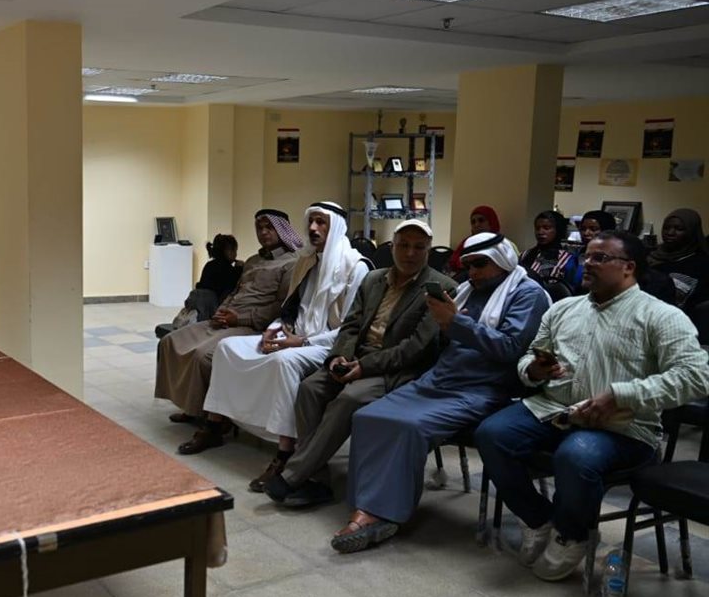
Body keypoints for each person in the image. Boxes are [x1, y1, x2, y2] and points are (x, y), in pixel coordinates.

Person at [475, 230, 709, 581]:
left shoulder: (661, 316)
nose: (587, 263)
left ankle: (572, 535)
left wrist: (620, 394)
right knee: (491, 434)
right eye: (586, 256)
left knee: (576, 454)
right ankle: (539, 519)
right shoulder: (564, 309)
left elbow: (695, 376)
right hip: (554, 408)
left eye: (600, 258)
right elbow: (528, 358)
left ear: (628, 267)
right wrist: (534, 370)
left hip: (623, 426)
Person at [328, 233, 550, 553]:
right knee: (366, 416)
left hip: (483, 388)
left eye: (479, 265)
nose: (472, 273)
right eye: (468, 266)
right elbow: (445, 343)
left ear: (502, 261)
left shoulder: (527, 295)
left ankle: (381, 514)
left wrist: (456, 322)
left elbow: (511, 348)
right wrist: (440, 324)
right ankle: (367, 502)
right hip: (440, 380)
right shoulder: (468, 290)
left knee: (408, 426)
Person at [264, 219, 455, 509]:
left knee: (349, 398)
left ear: (428, 250)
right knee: (309, 389)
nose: (410, 253)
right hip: (356, 358)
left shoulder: (441, 288)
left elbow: (415, 348)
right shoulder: (374, 279)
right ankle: (317, 480)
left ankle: (293, 475)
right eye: (404, 245)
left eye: (419, 247)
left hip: (395, 369)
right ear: (392, 247)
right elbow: (350, 326)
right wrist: (338, 357)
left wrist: (364, 367)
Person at [201, 202, 370, 489]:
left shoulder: (356, 267)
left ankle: (285, 452)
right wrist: (274, 329)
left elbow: (350, 330)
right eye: (311, 222)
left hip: (327, 344)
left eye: (321, 222)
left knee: (284, 361)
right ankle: (215, 425)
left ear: (336, 226)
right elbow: (291, 309)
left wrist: (301, 342)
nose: (313, 228)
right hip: (295, 335)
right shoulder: (306, 262)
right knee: (228, 348)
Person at [156, 209, 301, 451]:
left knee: (203, 355)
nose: (263, 232)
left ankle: (214, 422)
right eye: (259, 228)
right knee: (170, 342)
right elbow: (235, 292)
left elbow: (281, 306)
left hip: (253, 325)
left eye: (269, 227)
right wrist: (222, 311)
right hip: (226, 318)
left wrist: (239, 318)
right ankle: (191, 408)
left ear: (282, 229)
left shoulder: (292, 263)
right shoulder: (253, 261)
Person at [648, 208, 709, 315]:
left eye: (679, 229)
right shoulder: (649, 255)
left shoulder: (702, 264)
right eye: (666, 228)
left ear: (692, 232)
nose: (670, 233)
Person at [519, 210, 578, 293]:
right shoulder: (525, 255)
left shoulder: (567, 259)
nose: (540, 232)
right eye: (537, 228)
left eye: (546, 228)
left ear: (558, 230)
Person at [448, 205, 501, 274]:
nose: (476, 225)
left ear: (491, 221)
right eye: (473, 222)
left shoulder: (501, 244)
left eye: (481, 220)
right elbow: (453, 263)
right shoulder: (467, 243)